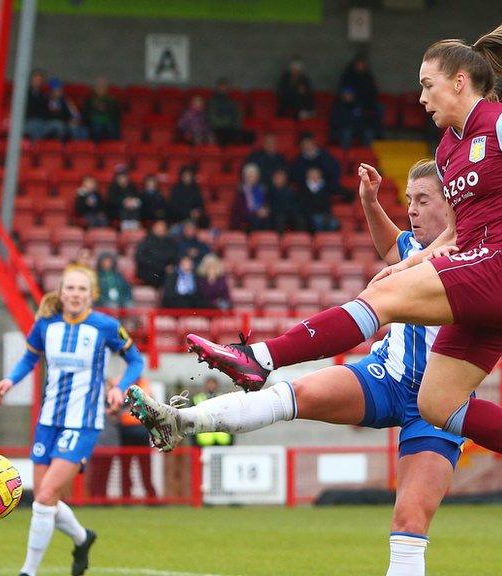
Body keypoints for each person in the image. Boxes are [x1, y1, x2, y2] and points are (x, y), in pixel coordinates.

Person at [183, 18, 502, 522]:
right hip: (479, 273)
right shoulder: (448, 150)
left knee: (380, 305)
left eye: (427, 85)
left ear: (459, 81)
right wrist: (411, 261)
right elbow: (457, 234)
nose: (421, 98)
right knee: (438, 404)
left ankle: (259, 357)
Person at [128, 159, 466, 576]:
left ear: (451, 202)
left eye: (423, 200)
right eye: (409, 200)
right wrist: (369, 201)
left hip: (438, 400)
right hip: (387, 375)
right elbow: (390, 245)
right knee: (294, 394)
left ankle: (254, 363)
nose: (411, 210)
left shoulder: (470, 256)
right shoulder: (414, 249)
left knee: (409, 522)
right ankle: (179, 421)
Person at [0, 265, 144, 576]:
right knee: (46, 499)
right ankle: (82, 537)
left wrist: (121, 388)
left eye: (81, 289)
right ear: (61, 292)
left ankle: (28, 572)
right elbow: (30, 357)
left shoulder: (105, 326)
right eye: (70, 288)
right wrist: (10, 380)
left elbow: (136, 359)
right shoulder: (46, 325)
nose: (75, 294)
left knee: (45, 496)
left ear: (92, 295)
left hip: (83, 423)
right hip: (48, 421)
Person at [117, 378, 157, 500]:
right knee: (126, 467)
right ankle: (126, 497)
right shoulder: (122, 384)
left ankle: (151, 497)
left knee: (145, 467)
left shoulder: (145, 385)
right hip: (126, 431)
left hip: (141, 430)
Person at [134, 220, 179, 288]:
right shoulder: (146, 241)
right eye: (158, 228)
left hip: (166, 273)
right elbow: (140, 257)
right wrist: (162, 267)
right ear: (153, 229)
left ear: (166, 230)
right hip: (150, 271)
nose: (160, 230)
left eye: (162, 229)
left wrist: (170, 266)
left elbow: (174, 257)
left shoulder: (171, 242)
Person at [190, 377, 233, 447]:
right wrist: (193, 441)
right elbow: (192, 421)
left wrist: (231, 440)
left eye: (213, 383)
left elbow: (231, 420)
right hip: (204, 440)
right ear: (205, 385)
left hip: (222, 440)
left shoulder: (224, 399)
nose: (211, 386)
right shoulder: (197, 399)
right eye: (209, 383)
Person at [83, 77, 121, 141]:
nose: (101, 88)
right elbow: (85, 113)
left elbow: (116, 114)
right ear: (95, 88)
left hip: (109, 121)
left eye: (103, 86)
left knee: (111, 127)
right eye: (99, 86)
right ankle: (95, 147)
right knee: (97, 127)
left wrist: (105, 110)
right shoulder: (89, 100)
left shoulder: (112, 100)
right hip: (94, 121)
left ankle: (112, 147)